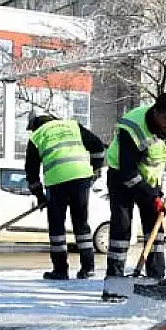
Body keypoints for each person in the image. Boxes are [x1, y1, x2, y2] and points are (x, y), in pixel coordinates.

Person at [102, 92, 166, 300]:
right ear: (156, 112)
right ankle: (114, 281)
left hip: (151, 178)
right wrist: (152, 197)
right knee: (122, 226)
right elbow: (129, 173)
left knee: (155, 226)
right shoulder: (132, 128)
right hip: (122, 176)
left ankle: (155, 278)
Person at [25, 114, 106, 280]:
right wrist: (94, 170)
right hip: (81, 178)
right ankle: (88, 268)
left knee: (57, 229)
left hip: (57, 182)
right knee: (81, 225)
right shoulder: (73, 126)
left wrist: (40, 196)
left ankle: (60, 270)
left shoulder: (37, 136)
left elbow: (31, 171)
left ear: (35, 126)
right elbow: (98, 147)